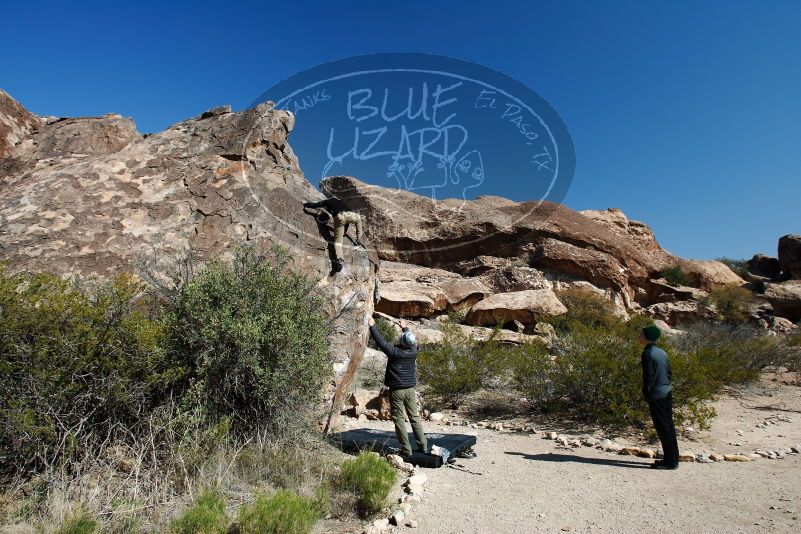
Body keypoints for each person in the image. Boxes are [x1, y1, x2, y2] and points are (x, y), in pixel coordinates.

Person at [368, 316, 427, 458]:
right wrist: (405, 327)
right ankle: (423, 446)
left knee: (399, 419)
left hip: (397, 391)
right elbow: (410, 341)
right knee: (414, 417)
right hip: (410, 390)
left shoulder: (394, 352)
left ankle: (406, 450)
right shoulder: (413, 350)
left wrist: (372, 326)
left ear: (402, 341)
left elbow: (381, 342)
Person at [639, 324, 680, 470]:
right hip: (666, 391)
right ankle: (673, 457)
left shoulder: (647, 353)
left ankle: (670, 462)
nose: (639, 336)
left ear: (647, 337)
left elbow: (648, 377)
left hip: (657, 395)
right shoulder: (662, 352)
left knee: (663, 427)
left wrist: (646, 394)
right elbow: (669, 372)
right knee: (669, 425)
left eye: (641, 334)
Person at [302, 196, 363, 273]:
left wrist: (305, 204)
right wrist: (344, 232)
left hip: (339, 217)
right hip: (348, 215)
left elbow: (315, 205)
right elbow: (347, 223)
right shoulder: (343, 203)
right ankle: (359, 237)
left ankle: (340, 260)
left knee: (338, 242)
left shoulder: (329, 201)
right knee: (358, 218)